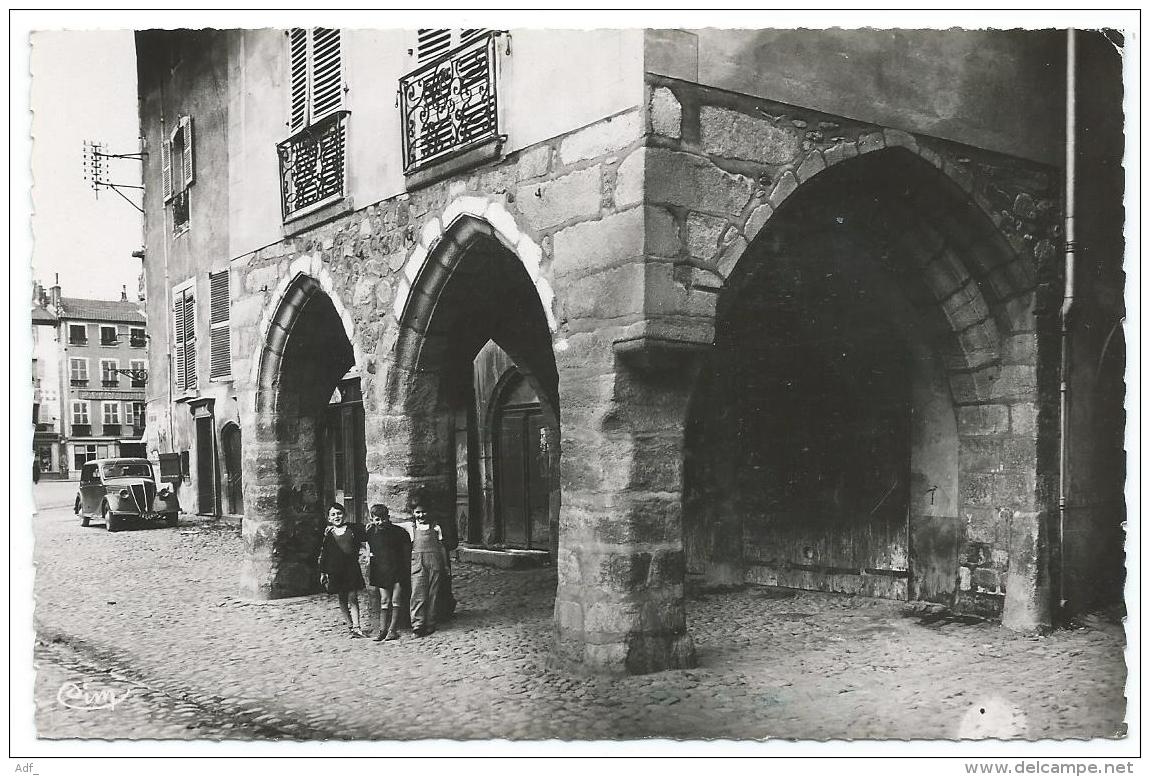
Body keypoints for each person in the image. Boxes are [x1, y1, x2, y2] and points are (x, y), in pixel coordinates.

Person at [317, 503, 367, 638]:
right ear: (329, 518)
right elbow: (325, 555)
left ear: (344, 515)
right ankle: (350, 625)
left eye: (339, 513)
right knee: (342, 598)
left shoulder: (352, 530)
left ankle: (357, 627)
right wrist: (323, 572)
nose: (336, 516)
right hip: (335, 571)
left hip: (351, 569)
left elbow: (366, 532)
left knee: (353, 597)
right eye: (333, 514)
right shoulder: (329, 535)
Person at [364, 503, 411, 642]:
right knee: (384, 600)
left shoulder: (398, 532)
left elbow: (406, 551)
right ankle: (382, 630)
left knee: (396, 599)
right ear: (372, 519)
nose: (381, 522)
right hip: (381, 570)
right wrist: (368, 556)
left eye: (383, 519)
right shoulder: (371, 532)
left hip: (397, 569)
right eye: (377, 519)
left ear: (388, 517)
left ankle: (393, 630)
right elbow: (367, 543)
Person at [408, 502, 448, 637]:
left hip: (434, 562)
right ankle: (417, 625)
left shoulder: (436, 528)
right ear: (413, 513)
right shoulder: (411, 527)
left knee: (433, 594)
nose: (421, 515)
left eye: (424, 512)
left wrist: (446, 565)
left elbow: (442, 547)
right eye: (418, 512)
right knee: (417, 593)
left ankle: (430, 623)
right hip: (418, 563)